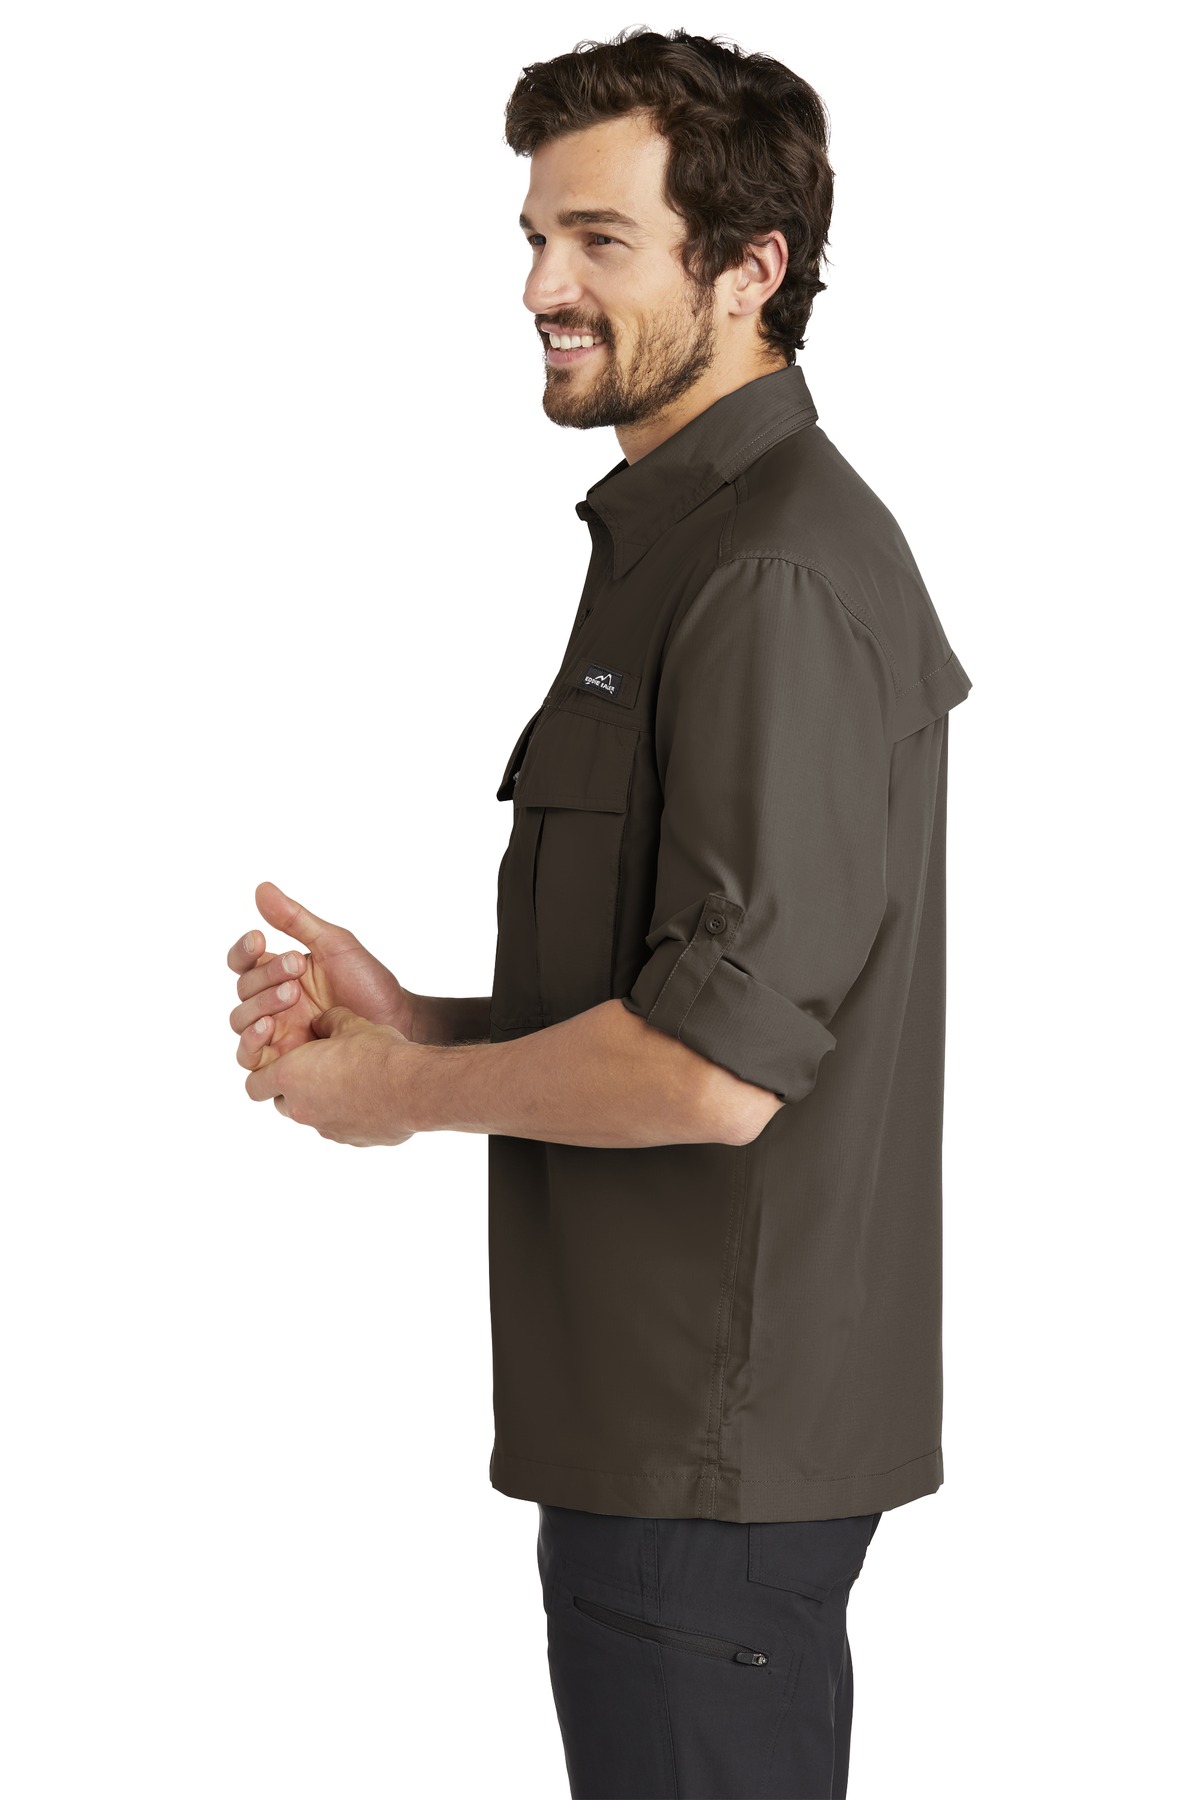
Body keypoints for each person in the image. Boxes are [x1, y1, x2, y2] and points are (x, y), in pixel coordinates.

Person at [227, 27, 972, 1798]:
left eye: (600, 241)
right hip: (670, 1453)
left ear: (752, 268)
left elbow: (715, 1074)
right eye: (536, 237)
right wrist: (423, 1025)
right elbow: (689, 987)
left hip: (705, 1468)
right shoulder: (683, 543)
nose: (541, 288)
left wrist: (400, 1098)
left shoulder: (771, 570)